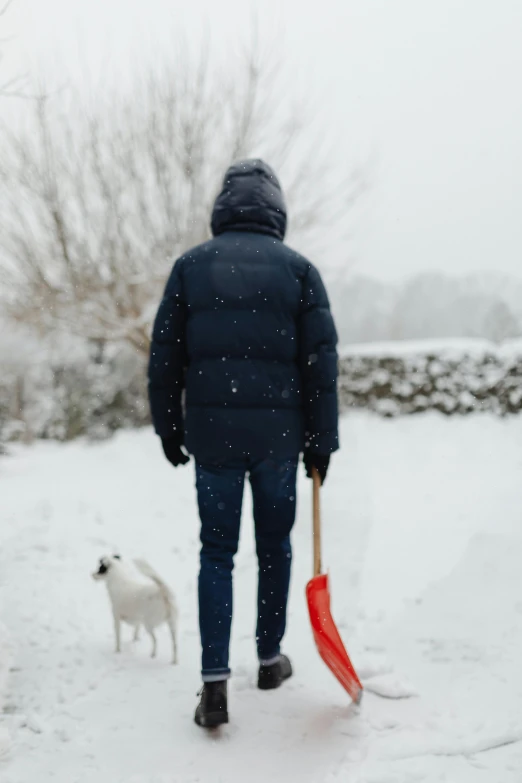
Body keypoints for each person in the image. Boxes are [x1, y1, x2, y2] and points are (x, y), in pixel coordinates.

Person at [148, 159, 339, 728]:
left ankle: (213, 685)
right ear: (277, 210)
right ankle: (268, 656)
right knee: (274, 548)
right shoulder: (299, 271)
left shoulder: (190, 268)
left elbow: (165, 359)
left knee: (216, 553)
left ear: (222, 209)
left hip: (214, 438)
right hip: (278, 439)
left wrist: (169, 427)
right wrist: (320, 441)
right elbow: (320, 366)